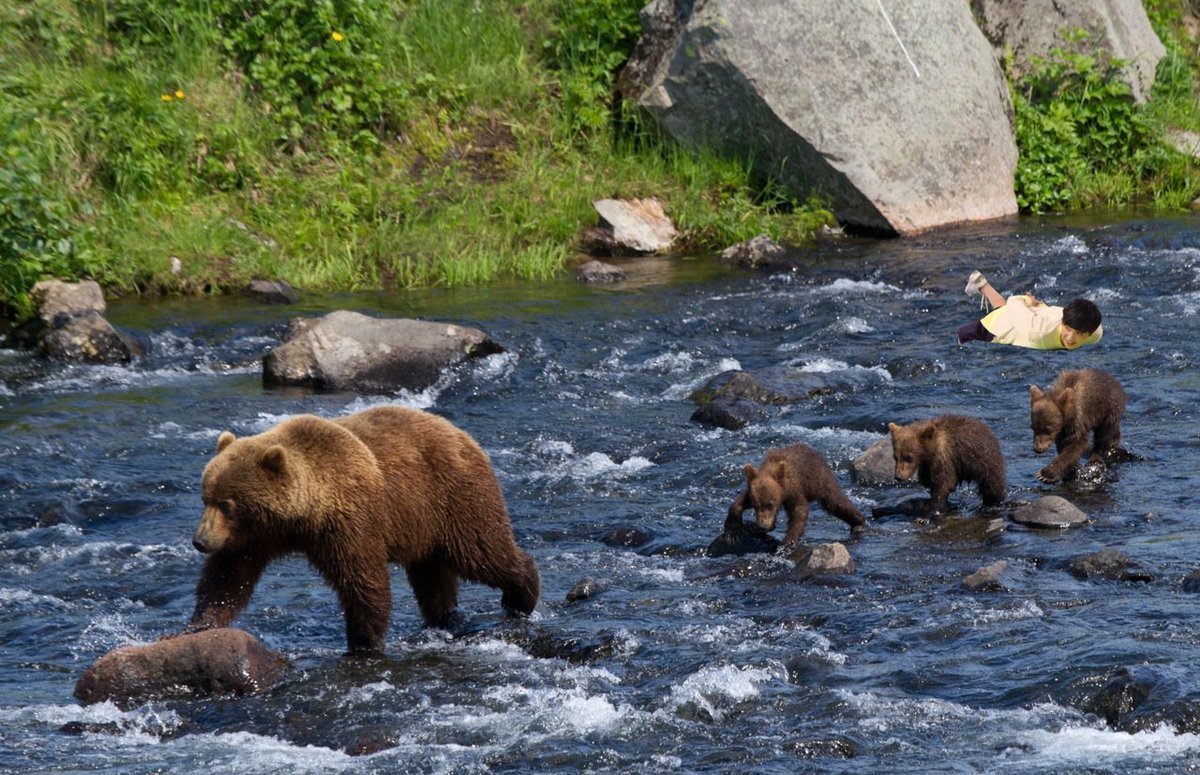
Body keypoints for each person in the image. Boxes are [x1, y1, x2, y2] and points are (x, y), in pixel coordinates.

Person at [956, 270, 1103, 350]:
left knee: (1002, 309)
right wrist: (1027, 301)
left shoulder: (1095, 332)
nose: (1071, 338)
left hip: (1033, 315)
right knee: (962, 335)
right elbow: (1013, 302)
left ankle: (981, 283)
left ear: (1089, 333)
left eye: (1079, 333)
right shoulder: (1038, 332)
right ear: (1063, 322)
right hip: (1001, 327)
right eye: (1068, 329)